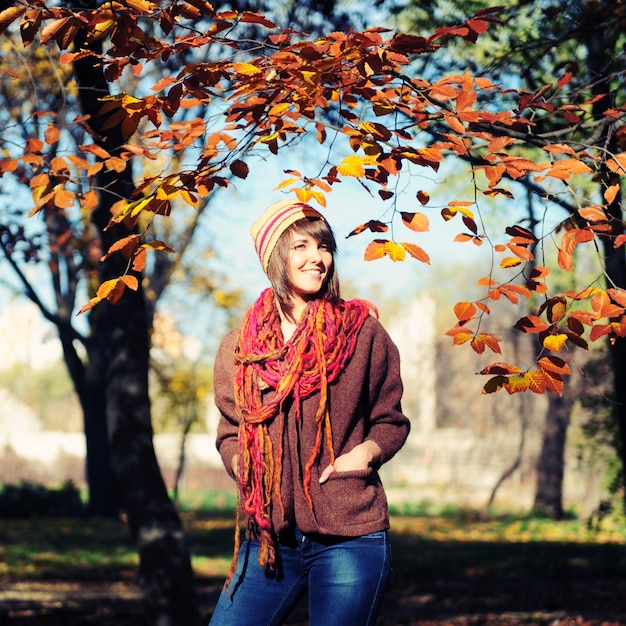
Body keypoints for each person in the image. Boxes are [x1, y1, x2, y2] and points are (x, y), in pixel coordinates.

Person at [209, 198, 410, 626]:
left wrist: (366, 454)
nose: (316, 258)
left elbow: (390, 419)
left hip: (349, 536)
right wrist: (245, 466)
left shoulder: (362, 334)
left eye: (323, 248)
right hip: (265, 535)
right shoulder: (240, 348)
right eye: (300, 247)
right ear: (275, 258)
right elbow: (230, 429)